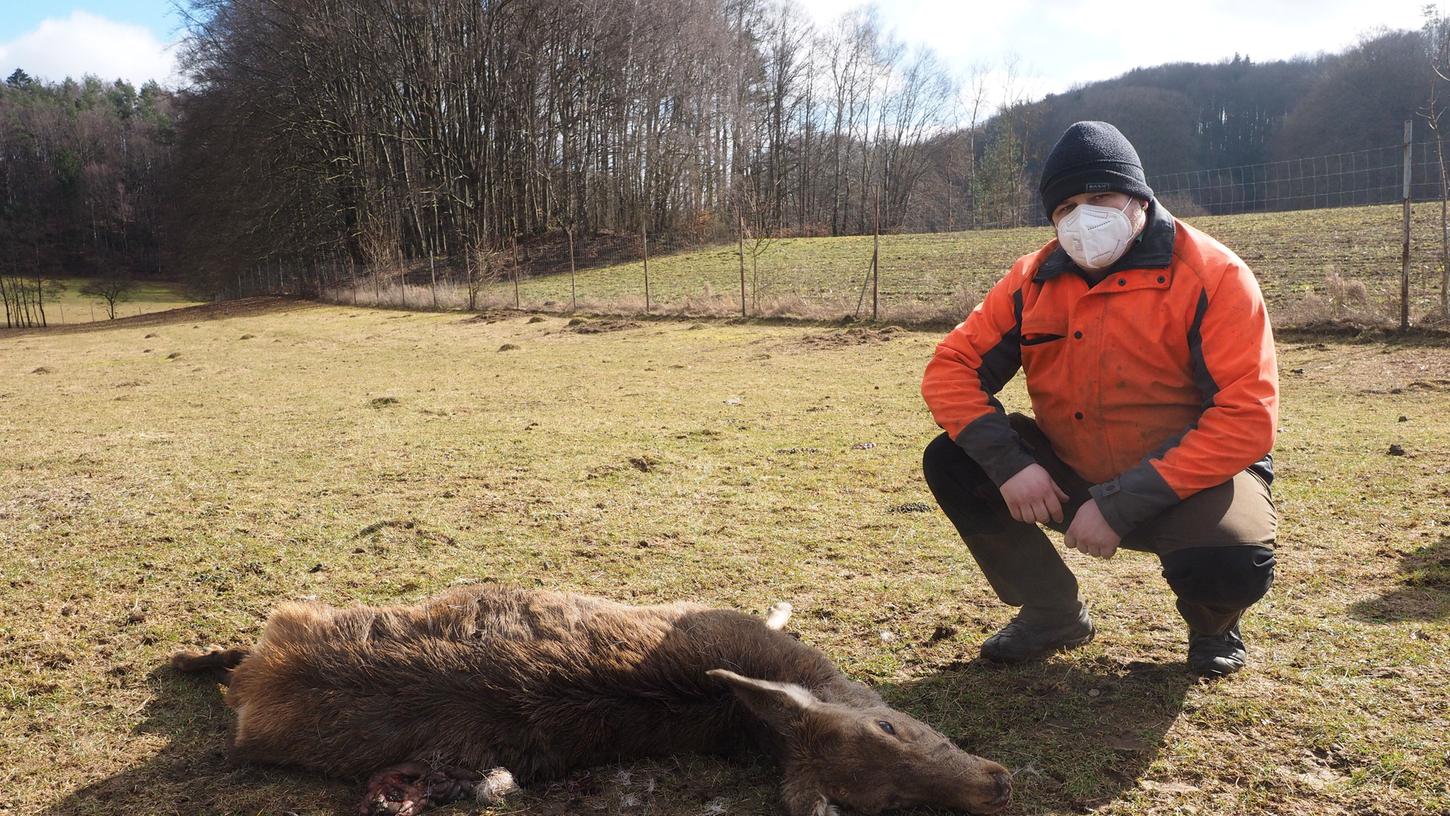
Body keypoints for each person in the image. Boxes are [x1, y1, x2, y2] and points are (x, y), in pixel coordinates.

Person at [920, 121, 1278, 677]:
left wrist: (1118, 504)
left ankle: (1214, 624)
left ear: (1138, 197)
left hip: (1187, 483)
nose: (1082, 219)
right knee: (953, 458)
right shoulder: (1031, 280)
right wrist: (1012, 466)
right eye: (1064, 208)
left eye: (1099, 198)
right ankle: (1051, 611)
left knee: (1232, 560)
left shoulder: (1215, 275)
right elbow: (950, 368)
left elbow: (1245, 418)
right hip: (1073, 469)